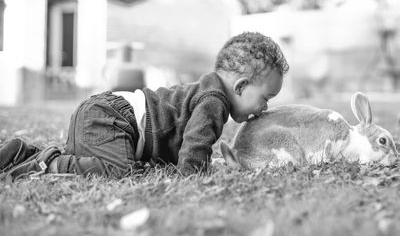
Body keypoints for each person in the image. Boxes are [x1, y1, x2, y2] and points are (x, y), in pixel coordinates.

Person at [0, 32, 289, 180]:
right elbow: (195, 147)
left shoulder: (206, 93)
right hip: (111, 117)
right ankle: (45, 164)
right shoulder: (214, 101)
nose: (264, 108)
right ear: (240, 86)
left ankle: (24, 153)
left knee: (96, 165)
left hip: (103, 115)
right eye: (266, 98)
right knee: (120, 172)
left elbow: (178, 144)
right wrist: (194, 174)